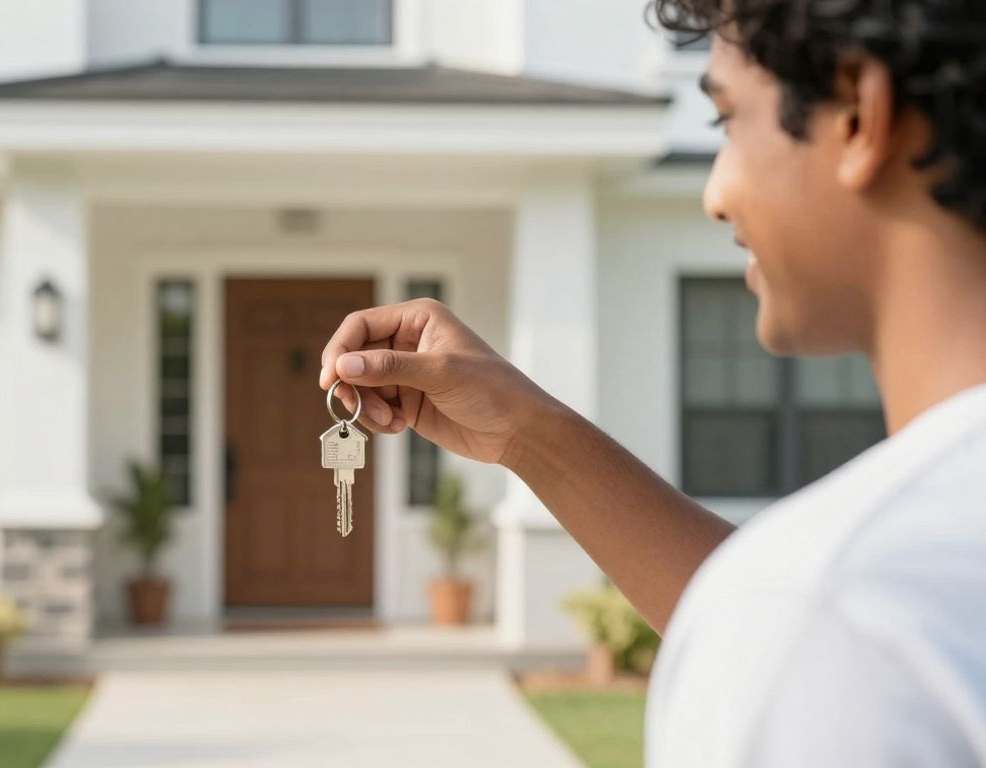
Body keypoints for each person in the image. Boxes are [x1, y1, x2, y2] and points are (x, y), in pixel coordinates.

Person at [319, 0, 986, 764]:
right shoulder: (860, 596)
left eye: (727, 121)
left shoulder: (835, 618)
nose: (714, 194)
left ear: (860, 117)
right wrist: (527, 435)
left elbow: (799, 618)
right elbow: (750, 613)